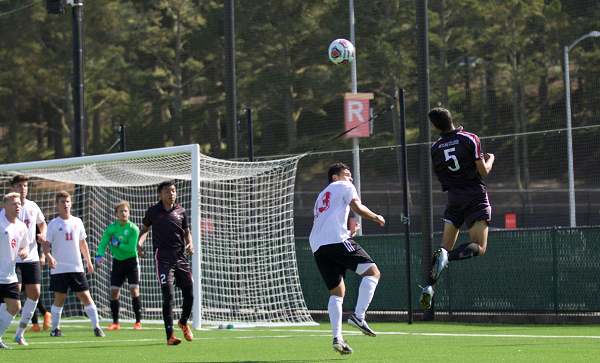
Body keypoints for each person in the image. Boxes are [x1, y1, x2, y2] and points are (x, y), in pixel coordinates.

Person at [419, 107, 495, 309]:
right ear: (451, 119)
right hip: (474, 196)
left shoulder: (434, 148)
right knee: (479, 246)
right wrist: (491, 158)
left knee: (445, 245)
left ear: (435, 127)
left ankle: (428, 287)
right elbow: (483, 171)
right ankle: (448, 257)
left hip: (453, 198)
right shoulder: (469, 138)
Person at [308, 163, 385, 355]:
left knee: (337, 292)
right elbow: (357, 208)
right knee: (373, 273)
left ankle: (338, 339)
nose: (351, 178)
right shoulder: (345, 186)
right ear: (335, 177)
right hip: (335, 240)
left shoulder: (321, 196)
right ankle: (359, 316)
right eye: (347, 174)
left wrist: (349, 232)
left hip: (318, 246)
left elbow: (326, 223)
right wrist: (376, 217)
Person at [137, 181, 194, 346]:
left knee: (189, 295)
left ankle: (183, 322)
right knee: (168, 296)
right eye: (167, 191)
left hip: (181, 257)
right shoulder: (153, 211)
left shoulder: (181, 211)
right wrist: (139, 245)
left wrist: (190, 243)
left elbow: (187, 232)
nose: (172, 194)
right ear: (160, 194)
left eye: (173, 191)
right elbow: (145, 230)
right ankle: (170, 336)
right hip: (163, 257)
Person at [42, 191, 105, 338]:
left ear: (71, 203)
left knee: (85, 296)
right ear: (57, 205)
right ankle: (55, 330)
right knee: (60, 298)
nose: (66, 204)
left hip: (76, 267)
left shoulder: (78, 222)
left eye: (67, 201)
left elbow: (82, 243)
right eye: (62, 202)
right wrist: (48, 256)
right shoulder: (53, 224)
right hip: (59, 268)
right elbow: (46, 245)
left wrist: (88, 261)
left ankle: (97, 327)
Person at [0, 176, 51, 345]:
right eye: (19, 185)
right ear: (12, 188)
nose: (23, 188)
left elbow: (42, 224)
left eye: (25, 186)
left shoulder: (32, 206)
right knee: (13, 295)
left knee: (35, 293)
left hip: (30, 256)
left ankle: (19, 333)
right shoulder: (5, 212)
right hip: (12, 260)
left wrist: (42, 236)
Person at [95, 201, 142, 330]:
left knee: (134, 290)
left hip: (131, 262)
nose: (123, 213)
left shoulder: (133, 228)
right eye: (121, 211)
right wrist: (99, 256)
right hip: (117, 262)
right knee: (114, 292)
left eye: (125, 211)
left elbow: (132, 249)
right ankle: (115, 322)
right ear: (116, 214)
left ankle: (138, 322)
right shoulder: (111, 228)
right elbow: (103, 243)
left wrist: (117, 244)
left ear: (129, 213)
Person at [0, 193, 30, 349]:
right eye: (13, 204)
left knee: (15, 306)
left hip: (10, 275)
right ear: (4, 207)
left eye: (18, 203)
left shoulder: (21, 226)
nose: (17, 206)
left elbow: (25, 244)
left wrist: (24, 251)